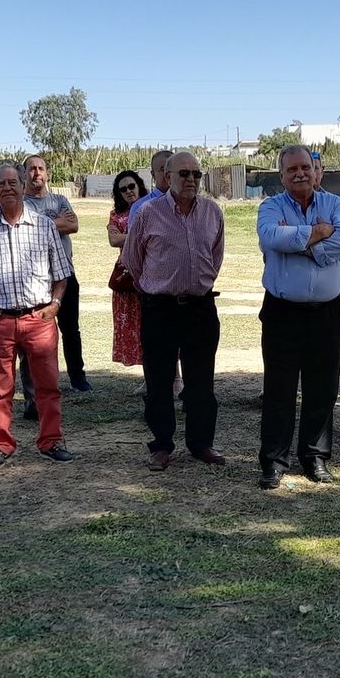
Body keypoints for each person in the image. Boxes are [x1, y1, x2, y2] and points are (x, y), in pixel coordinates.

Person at [255, 145, 340, 488]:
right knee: (279, 389)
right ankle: (273, 461)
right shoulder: (270, 206)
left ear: (316, 172)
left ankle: (315, 457)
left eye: (305, 168)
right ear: (281, 175)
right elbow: (270, 236)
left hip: (326, 313)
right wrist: (318, 232)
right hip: (282, 312)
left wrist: (299, 241)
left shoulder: (336, 205)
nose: (299, 174)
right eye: (291, 169)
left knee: (322, 388)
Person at [0, 161, 75, 465]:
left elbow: (61, 272)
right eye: (1, 184)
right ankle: (2, 443)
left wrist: (55, 304)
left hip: (39, 319)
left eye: (13, 183)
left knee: (48, 386)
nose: (7, 188)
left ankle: (51, 440)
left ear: (24, 186)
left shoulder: (44, 226)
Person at [122, 151, 226, 471]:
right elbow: (133, 261)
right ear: (167, 176)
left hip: (200, 307)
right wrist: (155, 289)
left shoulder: (212, 212)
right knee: (159, 380)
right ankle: (162, 445)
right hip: (160, 309)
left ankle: (200, 443)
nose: (191, 180)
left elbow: (216, 257)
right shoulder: (147, 212)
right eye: (184, 174)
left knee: (201, 381)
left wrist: (196, 284)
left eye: (196, 173)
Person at [22, 153, 91, 397]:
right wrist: (56, 221)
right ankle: (43, 381)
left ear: (47, 173)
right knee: (39, 333)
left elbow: (73, 226)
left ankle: (78, 377)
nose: (36, 173)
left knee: (71, 328)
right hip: (38, 277)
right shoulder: (23, 204)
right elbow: (28, 231)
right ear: (24, 174)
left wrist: (45, 223)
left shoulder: (60, 199)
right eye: (31, 168)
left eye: (41, 168)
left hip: (66, 274)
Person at [105, 170, 146, 371]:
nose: (128, 191)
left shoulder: (151, 207)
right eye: (123, 189)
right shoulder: (116, 215)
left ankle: (174, 378)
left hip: (150, 272)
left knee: (154, 326)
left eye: (131, 186)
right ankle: (149, 378)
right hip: (126, 275)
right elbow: (114, 240)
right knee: (134, 326)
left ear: (139, 185)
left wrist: (127, 235)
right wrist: (140, 234)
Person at [129, 150, 172, 218]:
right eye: (162, 169)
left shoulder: (187, 205)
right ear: (153, 174)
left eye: (172, 169)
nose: (168, 174)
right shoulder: (140, 208)